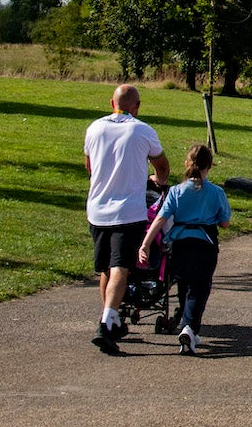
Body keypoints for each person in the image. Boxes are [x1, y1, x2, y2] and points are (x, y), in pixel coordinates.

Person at [85, 83, 170, 354]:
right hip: (129, 211)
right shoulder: (142, 130)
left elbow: (89, 165)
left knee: (105, 268)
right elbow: (161, 165)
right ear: (137, 106)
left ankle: (113, 317)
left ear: (112, 103)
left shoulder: (94, 129)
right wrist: (160, 180)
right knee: (121, 266)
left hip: (97, 210)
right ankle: (107, 323)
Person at [141, 144, 232, 355]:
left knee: (184, 285)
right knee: (200, 288)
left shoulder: (175, 191)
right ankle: (189, 328)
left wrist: (145, 244)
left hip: (180, 244)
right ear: (209, 165)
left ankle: (186, 322)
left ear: (186, 164)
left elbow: (160, 218)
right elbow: (225, 222)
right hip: (205, 244)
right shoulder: (216, 192)